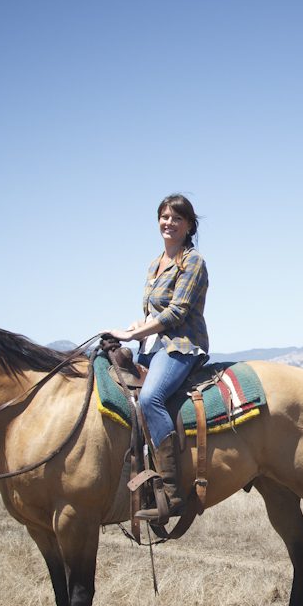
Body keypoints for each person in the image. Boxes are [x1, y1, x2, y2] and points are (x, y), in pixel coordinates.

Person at [106, 194, 209, 525]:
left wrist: (133, 336)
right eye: (164, 217)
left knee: (151, 398)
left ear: (189, 225)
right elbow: (153, 312)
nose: (169, 222)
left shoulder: (192, 262)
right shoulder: (155, 264)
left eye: (177, 218)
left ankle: (170, 491)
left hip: (181, 345)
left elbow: (177, 312)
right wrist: (132, 328)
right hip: (154, 344)